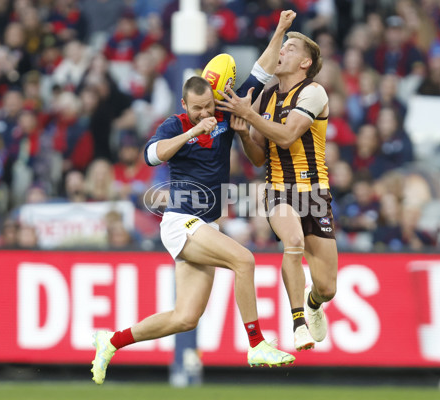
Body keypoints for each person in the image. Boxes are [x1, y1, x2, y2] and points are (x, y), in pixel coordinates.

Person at [90, 10, 298, 385]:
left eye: (208, 106)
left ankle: (111, 341)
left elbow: (263, 71)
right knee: (245, 261)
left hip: (205, 224)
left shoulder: (224, 109)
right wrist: (191, 132)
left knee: (186, 317)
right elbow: (151, 155)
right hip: (181, 221)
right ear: (185, 105)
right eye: (197, 108)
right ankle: (257, 344)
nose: (205, 112)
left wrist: (281, 30)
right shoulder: (175, 125)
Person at [217, 30, 338, 352]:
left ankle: (313, 303)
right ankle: (298, 323)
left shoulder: (313, 92)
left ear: (305, 62)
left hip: (314, 193)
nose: (281, 51)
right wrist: (245, 135)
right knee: (293, 242)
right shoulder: (266, 96)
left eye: (290, 47)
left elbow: (286, 136)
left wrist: (248, 114)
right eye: (282, 46)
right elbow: (259, 158)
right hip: (278, 189)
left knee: (328, 288)